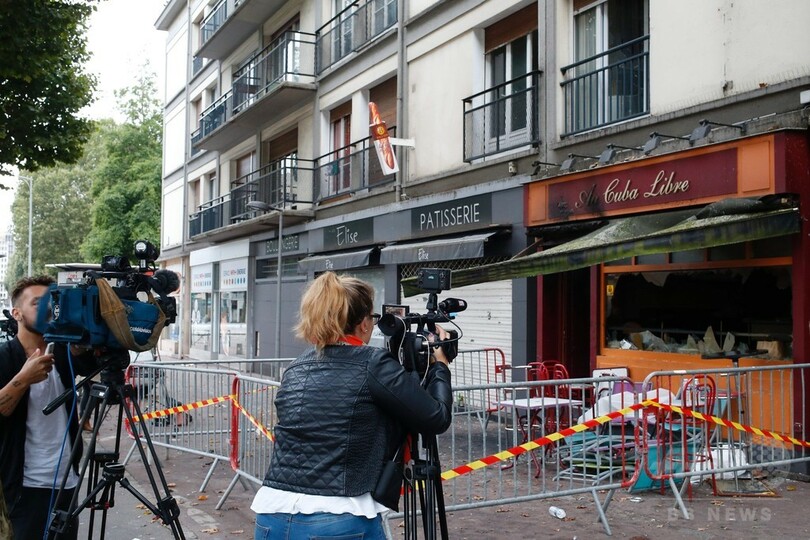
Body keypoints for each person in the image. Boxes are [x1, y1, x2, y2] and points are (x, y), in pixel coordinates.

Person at [251, 272, 453, 539]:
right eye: (373, 317)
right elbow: (436, 417)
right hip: (338, 518)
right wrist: (440, 365)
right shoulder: (373, 363)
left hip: (271, 514)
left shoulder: (296, 367)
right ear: (363, 324)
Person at [0, 276, 96, 540]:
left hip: (66, 483)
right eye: (37, 303)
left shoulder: (64, 352)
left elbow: (104, 366)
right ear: (17, 313)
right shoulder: (5, 356)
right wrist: (24, 378)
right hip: (23, 487)